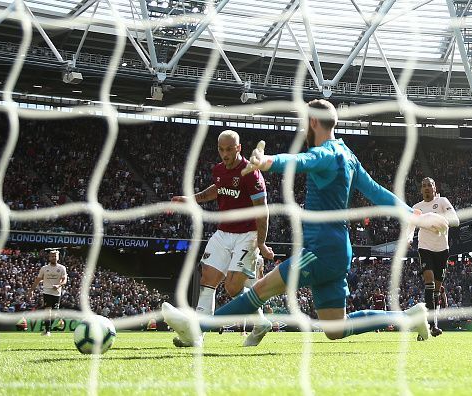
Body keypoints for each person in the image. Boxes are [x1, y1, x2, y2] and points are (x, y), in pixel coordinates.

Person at [162, 99, 449, 347]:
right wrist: (417, 218)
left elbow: (302, 160)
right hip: (339, 252)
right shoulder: (348, 155)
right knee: (335, 329)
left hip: (319, 251)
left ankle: (196, 328)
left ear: (313, 122)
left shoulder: (327, 154)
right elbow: (377, 191)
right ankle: (410, 317)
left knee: (261, 289)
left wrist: (268, 161)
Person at [170, 130, 274, 346]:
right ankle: (196, 335)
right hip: (223, 233)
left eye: (229, 149)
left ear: (239, 148)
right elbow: (217, 190)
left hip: (247, 235)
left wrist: (261, 243)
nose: (224, 154)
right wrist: (191, 199)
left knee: (233, 289)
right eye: (221, 149)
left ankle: (261, 321)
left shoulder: (251, 174)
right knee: (207, 279)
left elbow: (262, 211)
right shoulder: (218, 170)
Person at [408, 177, 459, 338]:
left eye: (429, 185)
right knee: (428, 282)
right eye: (423, 186)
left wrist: (439, 222)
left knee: (436, 291)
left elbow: (455, 221)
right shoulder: (417, 207)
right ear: (421, 190)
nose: (426, 188)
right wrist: (408, 239)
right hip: (425, 248)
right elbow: (410, 226)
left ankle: (429, 323)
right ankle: (432, 325)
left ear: (434, 188)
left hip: (442, 250)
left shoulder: (443, 201)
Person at [27, 250, 67, 336]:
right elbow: (37, 280)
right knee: (48, 311)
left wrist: (58, 285)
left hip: (57, 293)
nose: (53, 257)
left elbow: (64, 280)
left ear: (58, 257)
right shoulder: (44, 268)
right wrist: (31, 290)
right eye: (52, 256)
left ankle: (47, 328)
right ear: (49, 257)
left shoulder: (62, 268)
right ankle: (48, 331)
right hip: (47, 291)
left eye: (55, 256)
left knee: (54, 314)